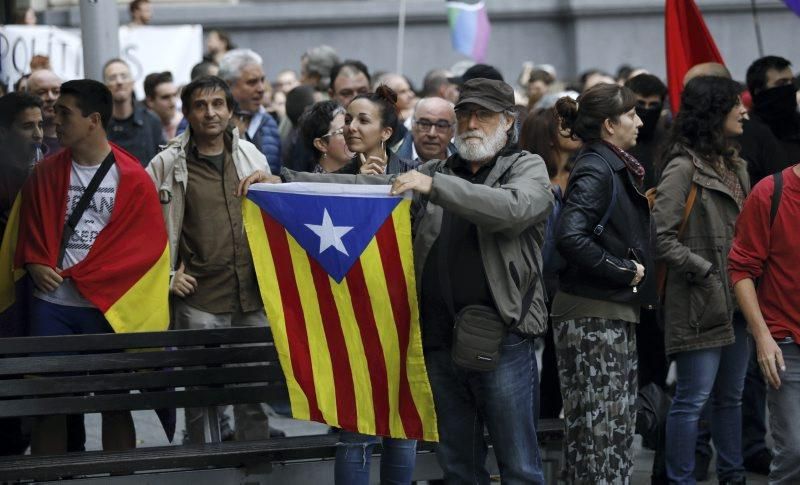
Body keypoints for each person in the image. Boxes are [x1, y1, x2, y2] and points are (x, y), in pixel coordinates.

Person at [244, 77, 554, 484]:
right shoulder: (439, 169)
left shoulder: (524, 166)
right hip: (440, 338)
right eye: (466, 114)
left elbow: (513, 209)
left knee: (519, 467)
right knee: (458, 465)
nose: (472, 123)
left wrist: (436, 186)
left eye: (484, 114)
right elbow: (365, 187)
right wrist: (288, 182)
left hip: (503, 336)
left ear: (509, 122)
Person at [15, 79, 167, 454]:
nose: (55, 119)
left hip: (108, 308)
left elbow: (147, 248)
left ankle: (122, 480)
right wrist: (34, 262)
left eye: (64, 113)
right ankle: (47, 481)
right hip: (53, 305)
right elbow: (30, 231)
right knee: (48, 407)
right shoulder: (45, 172)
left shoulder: (132, 178)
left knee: (114, 404)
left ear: (93, 120)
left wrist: (97, 278)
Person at [146, 75, 271, 444]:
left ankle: (254, 468)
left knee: (253, 394)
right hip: (199, 298)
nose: (210, 113)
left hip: (251, 295)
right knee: (202, 398)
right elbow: (144, 231)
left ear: (231, 112)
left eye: (218, 104)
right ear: (187, 113)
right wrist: (166, 275)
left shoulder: (252, 156)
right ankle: (202, 468)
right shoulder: (166, 164)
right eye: (200, 105)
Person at [552, 83, 653, 483]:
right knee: (602, 437)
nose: (640, 121)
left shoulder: (605, 162)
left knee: (600, 436)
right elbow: (570, 235)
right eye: (631, 114)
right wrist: (623, 270)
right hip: (593, 318)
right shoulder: (597, 165)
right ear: (610, 125)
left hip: (601, 314)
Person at [653, 76, 750, 485]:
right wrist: (706, 270)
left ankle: (734, 476)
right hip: (699, 302)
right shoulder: (682, 167)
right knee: (692, 401)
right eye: (735, 105)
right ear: (715, 113)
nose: (744, 111)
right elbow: (660, 237)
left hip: (741, 302)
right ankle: (681, 480)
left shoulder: (735, 165)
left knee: (731, 398)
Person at [728, 163, 800, 484]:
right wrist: (762, 336)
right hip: (785, 342)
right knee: (794, 451)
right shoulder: (770, 192)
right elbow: (741, 269)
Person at [519, 105, 581, 420]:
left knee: (560, 370)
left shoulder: (582, 174)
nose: (575, 129)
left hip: (571, 285)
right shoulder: (530, 181)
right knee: (528, 366)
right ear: (548, 136)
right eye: (564, 127)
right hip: (536, 282)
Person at [0, 92, 43, 456]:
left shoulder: (46, 170)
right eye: (27, 126)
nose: (38, 134)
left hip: (35, 299)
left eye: (41, 124)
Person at [219, 49, 282, 173]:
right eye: (252, 82)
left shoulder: (269, 122)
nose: (261, 88)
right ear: (228, 85)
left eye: (262, 80)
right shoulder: (202, 120)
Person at [741, 56, 800, 184]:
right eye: (782, 83)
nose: (790, 88)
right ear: (759, 91)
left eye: (792, 82)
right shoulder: (747, 132)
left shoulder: (797, 122)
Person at [103, 59, 165, 166]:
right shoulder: (98, 125)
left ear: (132, 82)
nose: (119, 82)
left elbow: (163, 163)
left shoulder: (151, 121)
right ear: (105, 86)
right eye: (112, 78)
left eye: (124, 76)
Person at [626, 73, 670, 191]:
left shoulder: (670, 139)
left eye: (653, 105)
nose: (646, 109)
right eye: (640, 104)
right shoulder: (618, 138)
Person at [296, 101, 354, 174]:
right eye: (342, 131)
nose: (353, 134)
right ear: (321, 144)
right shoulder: (317, 183)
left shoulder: (361, 170)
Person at [395, 97, 456, 163]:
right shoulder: (388, 164)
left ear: (453, 131)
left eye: (441, 126)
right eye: (425, 124)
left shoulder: (466, 164)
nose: (432, 134)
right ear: (413, 126)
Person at [25, 69, 62, 155]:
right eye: (42, 92)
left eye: (56, 92)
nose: (51, 97)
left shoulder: (78, 139)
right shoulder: (19, 143)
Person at [144, 71, 181, 141]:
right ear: (150, 101)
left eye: (174, 95)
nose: (173, 103)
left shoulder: (188, 124)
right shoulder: (141, 130)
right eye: (166, 97)